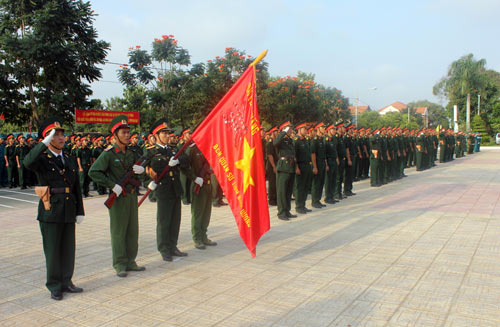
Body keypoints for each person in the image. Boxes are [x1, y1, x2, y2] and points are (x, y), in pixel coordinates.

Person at [24, 117, 85, 301]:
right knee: (52, 250)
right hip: (50, 210)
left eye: (61, 135)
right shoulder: (42, 159)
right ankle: (54, 284)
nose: (60, 138)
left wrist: (80, 210)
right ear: (47, 138)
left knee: (68, 248)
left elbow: (76, 188)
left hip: (68, 208)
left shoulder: (68, 158)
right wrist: (42, 142)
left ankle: (67, 281)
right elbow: (27, 162)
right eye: (55, 135)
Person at [88, 115, 146, 277]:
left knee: (132, 230)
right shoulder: (108, 154)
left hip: (131, 196)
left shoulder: (132, 152)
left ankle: (131, 261)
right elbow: (94, 172)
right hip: (118, 198)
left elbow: (137, 173)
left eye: (128, 132)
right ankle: (120, 263)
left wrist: (141, 173)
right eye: (123, 133)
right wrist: (112, 185)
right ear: (115, 135)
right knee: (119, 231)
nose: (127, 135)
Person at [145, 119, 189, 261]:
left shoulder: (172, 149)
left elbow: (186, 159)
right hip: (163, 190)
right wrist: (149, 182)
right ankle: (164, 248)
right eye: (163, 133)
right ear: (156, 135)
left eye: (167, 133)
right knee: (164, 221)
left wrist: (178, 161)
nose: (166, 135)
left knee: (175, 220)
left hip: (175, 188)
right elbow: (141, 168)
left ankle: (173, 246)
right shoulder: (151, 152)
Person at [188, 143, 217, 249]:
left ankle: (204, 236)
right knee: (198, 213)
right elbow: (186, 167)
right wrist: (194, 178)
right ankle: (197, 238)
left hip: (208, 183)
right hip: (198, 184)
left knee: (206, 212)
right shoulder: (192, 149)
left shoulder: (210, 147)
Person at [273, 121, 297, 220]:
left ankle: (287, 210)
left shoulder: (290, 140)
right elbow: (275, 143)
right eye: (288, 128)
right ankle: (281, 212)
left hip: (291, 167)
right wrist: (283, 132)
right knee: (282, 191)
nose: (291, 130)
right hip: (283, 167)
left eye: (291, 128)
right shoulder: (280, 140)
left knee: (288, 191)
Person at [294, 123, 313, 214]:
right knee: (300, 187)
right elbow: (294, 156)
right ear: (299, 130)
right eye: (304, 129)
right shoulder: (296, 141)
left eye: (306, 129)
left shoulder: (305, 140)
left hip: (307, 165)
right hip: (300, 166)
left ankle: (303, 205)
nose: (306, 131)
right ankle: (298, 206)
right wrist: (296, 167)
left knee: (305, 186)